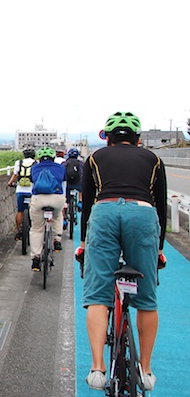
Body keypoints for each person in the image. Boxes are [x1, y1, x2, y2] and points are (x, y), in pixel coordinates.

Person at [76, 112, 167, 391]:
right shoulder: (153, 159)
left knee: (97, 295)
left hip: (104, 213)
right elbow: (160, 205)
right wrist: (159, 248)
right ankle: (146, 370)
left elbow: (88, 204)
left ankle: (97, 369)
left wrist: (83, 243)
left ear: (109, 138)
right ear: (138, 139)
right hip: (142, 215)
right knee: (147, 296)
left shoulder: (96, 158)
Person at [28, 146, 66, 270]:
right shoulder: (60, 167)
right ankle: (57, 239)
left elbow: (32, 180)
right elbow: (63, 180)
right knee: (58, 215)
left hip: (38, 199)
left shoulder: (34, 168)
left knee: (37, 229)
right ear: (53, 157)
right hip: (56, 198)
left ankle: (36, 258)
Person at [7, 147, 36, 238]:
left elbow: (15, 174)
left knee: (20, 211)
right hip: (32, 190)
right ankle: (34, 228)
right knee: (34, 211)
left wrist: (10, 182)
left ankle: (19, 231)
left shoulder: (18, 163)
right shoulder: (36, 163)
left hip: (20, 189)